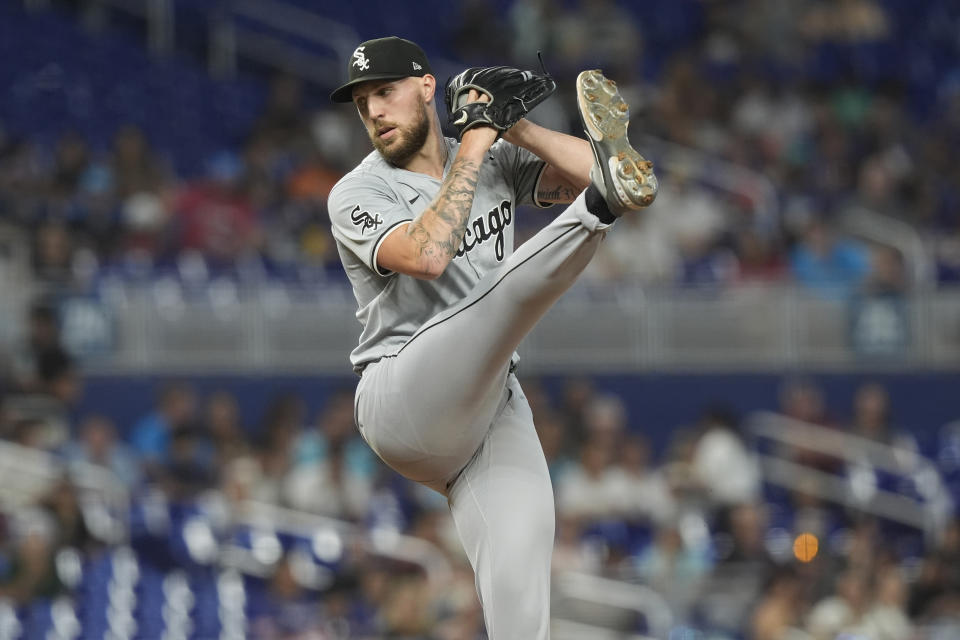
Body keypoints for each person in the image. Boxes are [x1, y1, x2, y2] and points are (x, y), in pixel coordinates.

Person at [327, 36, 657, 638]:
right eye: (362, 102)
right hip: (402, 392)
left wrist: (515, 125)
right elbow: (428, 255)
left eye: (385, 92)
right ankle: (594, 219)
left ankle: (598, 211)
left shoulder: (494, 153)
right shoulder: (357, 191)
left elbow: (609, 171)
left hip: (486, 408)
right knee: (496, 297)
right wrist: (479, 137)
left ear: (426, 88)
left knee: (522, 580)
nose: (373, 110)